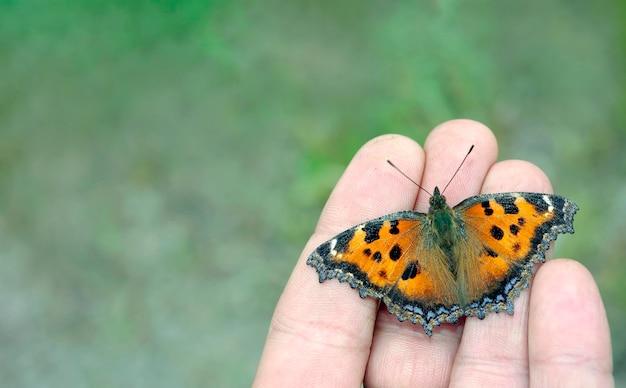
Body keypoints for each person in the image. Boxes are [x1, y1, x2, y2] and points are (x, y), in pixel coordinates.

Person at [254, 120, 613, 387]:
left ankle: (448, 304)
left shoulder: (396, 231)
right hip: (476, 270)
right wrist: (336, 253)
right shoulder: (485, 212)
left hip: (434, 278)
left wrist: (550, 210)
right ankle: (476, 297)